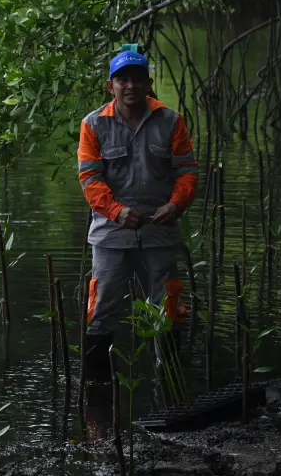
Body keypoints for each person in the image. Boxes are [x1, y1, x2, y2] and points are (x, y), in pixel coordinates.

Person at [77, 49, 198, 370]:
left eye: (137, 78)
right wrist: (116, 211)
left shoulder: (172, 121)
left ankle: (171, 384)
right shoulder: (92, 124)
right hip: (110, 235)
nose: (130, 85)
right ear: (110, 85)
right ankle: (97, 396)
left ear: (149, 83)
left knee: (167, 310)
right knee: (103, 309)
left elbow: (187, 172)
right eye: (122, 79)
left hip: (161, 233)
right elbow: (89, 178)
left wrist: (176, 204)